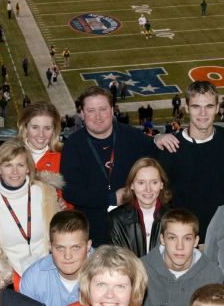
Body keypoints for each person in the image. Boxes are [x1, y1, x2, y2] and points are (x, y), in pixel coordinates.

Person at [60, 86, 156, 246]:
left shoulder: (134, 137)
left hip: (133, 233)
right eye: (91, 110)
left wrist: (159, 139)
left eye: (103, 109)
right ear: (82, 114)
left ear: (112, 110)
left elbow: (161, 170)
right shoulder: (73, 145)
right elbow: (70, 192)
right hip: (93, 234)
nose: (98, 116)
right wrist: (111, 198)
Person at [151, 81, 224, 242]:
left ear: (217, 107)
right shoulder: (171, 148)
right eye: (195, 107)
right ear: (186, 108)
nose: (203, 113)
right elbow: (160, 200)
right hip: (184, 241)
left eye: (208, 106)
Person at [0, 139, 62, 276]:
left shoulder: (46, 194)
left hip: (48, 272)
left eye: (20, 165)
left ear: (28, 168)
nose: (14, 171)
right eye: (8, 165)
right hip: (8, 278)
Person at [142, 208, 224, 306]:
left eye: (187, 238)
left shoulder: (213, 275)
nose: (179, 246)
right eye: (172, 238)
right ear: (162, 239)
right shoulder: (141, 269)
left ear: (196, 241)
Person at [19, 211, 92, 306]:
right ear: (50, 246)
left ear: (88, 245)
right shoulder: (33, 279)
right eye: (60, 248)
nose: (68, 256)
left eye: (76, 247)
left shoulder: (108, 273)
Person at [107, 157, 170, 257]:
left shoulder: (173, 217)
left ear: (161, 184)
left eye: (154, 182)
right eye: (141, 183)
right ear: (132, 185)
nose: (148, 189)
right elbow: (115, 262)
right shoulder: (115, 219)